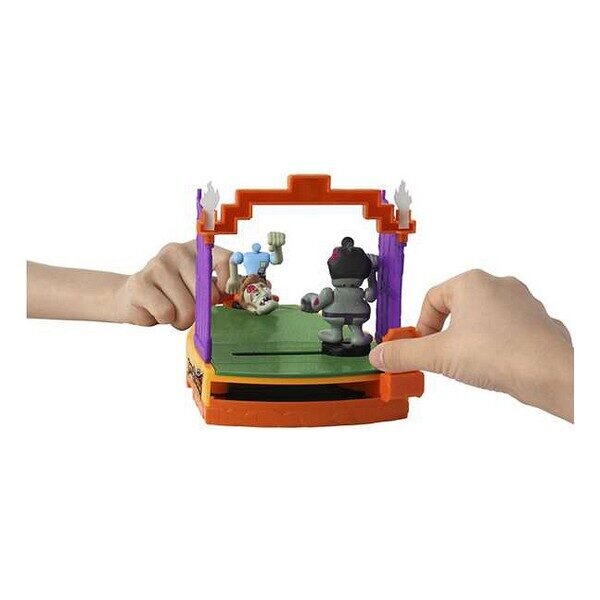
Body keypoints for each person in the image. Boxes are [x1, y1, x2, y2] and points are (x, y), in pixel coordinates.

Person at [27, 244, 573, 422]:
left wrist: (120, 294)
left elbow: (352, 297)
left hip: (349, 330)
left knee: (346, 336)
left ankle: (343, 344)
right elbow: (322, 302)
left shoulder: (352, 290)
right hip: (337, 324)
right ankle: (341, 342)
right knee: (340, 333)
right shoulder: (336, 294)